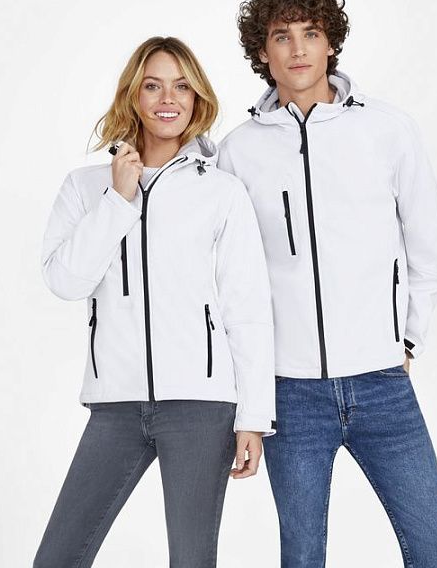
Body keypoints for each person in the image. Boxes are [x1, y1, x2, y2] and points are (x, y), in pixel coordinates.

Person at [217, 0, 437, 568]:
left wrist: (407, 339)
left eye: (311, 33)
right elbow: (230, 279)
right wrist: (249, 394)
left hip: (381, 382)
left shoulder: (387, 129)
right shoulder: (238, 151)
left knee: (433, 548)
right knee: (302, 555)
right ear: (263, 51)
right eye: (282, 36)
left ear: (330, 44)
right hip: (290, 393)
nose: (298, 48)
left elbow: (427, 246)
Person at [34, 36, 276, 568]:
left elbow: (248, 309)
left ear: (197, 98)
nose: (169, 98)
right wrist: (118, 199)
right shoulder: (86, 187)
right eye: (153, 85)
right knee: (57, 558)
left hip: (200, 407)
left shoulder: (221, 192)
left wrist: (254, 417)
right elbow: (65, 280)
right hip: (115, 405)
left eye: (182, 86)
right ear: (134, 96)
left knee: (191, 561)